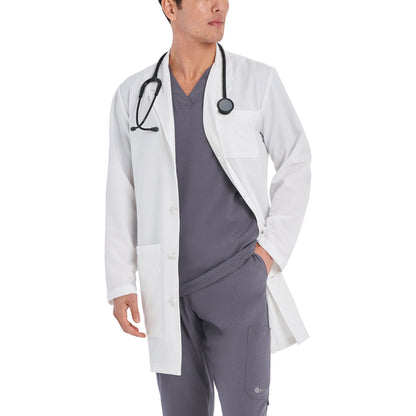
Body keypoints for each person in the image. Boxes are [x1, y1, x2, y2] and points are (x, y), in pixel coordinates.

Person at [104, 0, 312, 415]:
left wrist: (267, 254)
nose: (220, 6)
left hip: (237, 284)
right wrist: (120, 282)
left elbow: (297, 161)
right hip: (167, 290)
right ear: (170, 6)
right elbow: (121, 188)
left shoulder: (257, 82)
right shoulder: (134, 95)